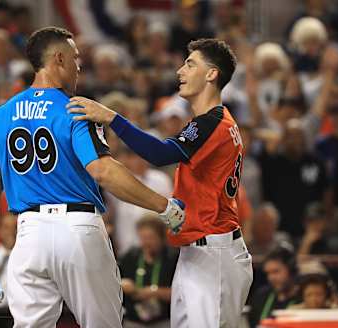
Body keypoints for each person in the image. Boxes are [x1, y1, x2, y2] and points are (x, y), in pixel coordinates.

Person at [0, 27, 185, 328]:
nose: (79, 66)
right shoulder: (76, 108)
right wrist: (164, 206)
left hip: (28, 235)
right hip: (77, 229)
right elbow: (102, 170)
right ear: (58, 58)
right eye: (75, 57)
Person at [68, 38, 253, 327]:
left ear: (211, 74)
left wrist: (112, 118)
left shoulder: (213, 122)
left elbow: (160, 154)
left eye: (190, 64)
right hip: (199, 250)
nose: (180, 71)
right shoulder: (212, 120)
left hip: (214, 252)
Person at [119, 215, 178, 328]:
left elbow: (180, 293)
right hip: (133, 321)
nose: (146, 243)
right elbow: (116, 281)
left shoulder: (172, 258)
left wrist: (152, 292)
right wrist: (123, 284)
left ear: (162, 237)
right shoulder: (130, 256)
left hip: (164, 321)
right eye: (142, 238)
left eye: (150, 238)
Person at [248, 246, 299, 328]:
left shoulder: (303, 298)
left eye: (276, 272)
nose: (271, 278)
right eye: (268, 273)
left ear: (291, 270)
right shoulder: (261, 296)